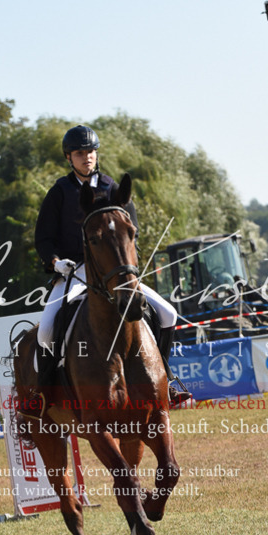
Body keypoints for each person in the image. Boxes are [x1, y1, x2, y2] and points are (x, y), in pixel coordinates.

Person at [31, 124, 191, 409]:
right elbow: (43, 237)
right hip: (73, 271)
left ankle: (167, 379)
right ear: (69, 157)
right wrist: (56, 263)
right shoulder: (60, 192)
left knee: (168, 314)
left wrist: (128, 266)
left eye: (91, 152)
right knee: (45, 332)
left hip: (115, 272)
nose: (87, 157)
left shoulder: (112, 188)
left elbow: (131, 232)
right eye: (80, 153)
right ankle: (43, 396)